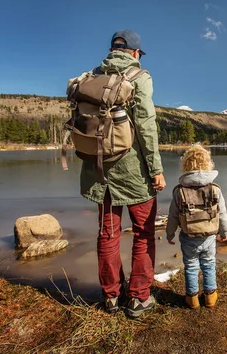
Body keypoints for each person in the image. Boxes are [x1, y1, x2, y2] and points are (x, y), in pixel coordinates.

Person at [79, 30, 166, 318]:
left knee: (108, 234)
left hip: (98, 169)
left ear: (113, 49)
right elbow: (146, 126)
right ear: (134, 53)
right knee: (143, 232)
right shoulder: (139, 77)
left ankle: (111, 297)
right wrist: (156, 170)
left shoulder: (93, 76)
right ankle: (139, 298)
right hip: (133, 172)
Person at [166, 144, 227, 309]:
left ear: (185, 165)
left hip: (188, 236)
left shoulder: (179, 191)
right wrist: (225, 231)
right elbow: (222, 213)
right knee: (209, 263)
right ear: (208, 164)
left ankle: (192, 298)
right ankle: (210, 297)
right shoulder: (215, 189)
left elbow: (173, 215)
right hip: (209, 236)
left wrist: (170, 233)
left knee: (191, 265)